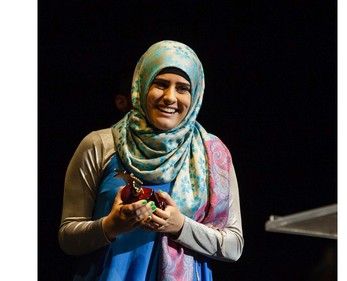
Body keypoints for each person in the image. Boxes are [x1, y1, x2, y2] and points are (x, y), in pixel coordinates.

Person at [58, 40, 244, 281]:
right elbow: (68, 238)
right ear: (142, 85)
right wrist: (110, 226)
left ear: (195, 93)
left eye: (182, 88)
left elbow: (234, 246)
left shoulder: (213, 153)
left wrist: (181, 227)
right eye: (161, 84)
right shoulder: (100, 145)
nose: (170, 97)